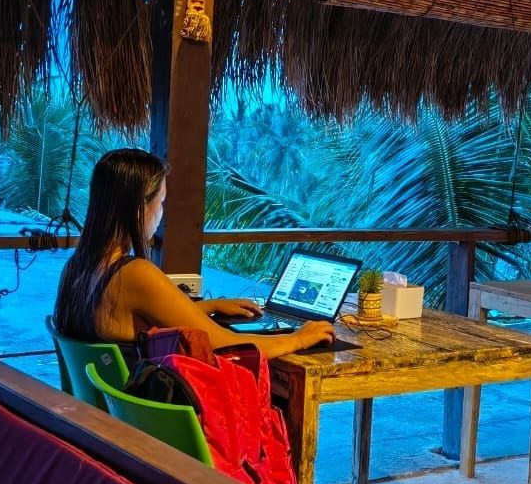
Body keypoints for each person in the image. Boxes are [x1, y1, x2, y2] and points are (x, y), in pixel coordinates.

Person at [54, 148, 335, 360]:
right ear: (139, 207)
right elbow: (222, 342)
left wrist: (210, 306)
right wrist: (298, 338)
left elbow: (136, 317)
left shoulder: (78, 268)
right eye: (161, 201)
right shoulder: (134, 274)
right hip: (153, 425)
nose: (163, 212)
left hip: (111, 418)